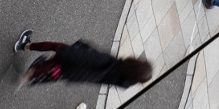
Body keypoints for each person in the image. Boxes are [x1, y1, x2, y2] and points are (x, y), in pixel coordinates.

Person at [16, 35, 155, 87]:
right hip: (76, 74)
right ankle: (30, 76)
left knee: (54, 48)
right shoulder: (121, 81)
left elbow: (86, 57)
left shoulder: (109, 62)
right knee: (55, 69)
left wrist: (67, 51)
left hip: (74, 60)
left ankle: (25, 45)